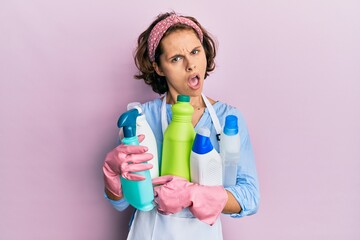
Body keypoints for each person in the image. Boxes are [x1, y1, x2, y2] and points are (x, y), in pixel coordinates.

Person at [102, 12, 260, 240]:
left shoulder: (227, 120)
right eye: (176, 58)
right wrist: (111, 175)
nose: (190, 64)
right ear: (158, 67)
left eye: (195, 52)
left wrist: (193, 195)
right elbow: (121, 203)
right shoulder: (142, 119)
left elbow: (249, 197)